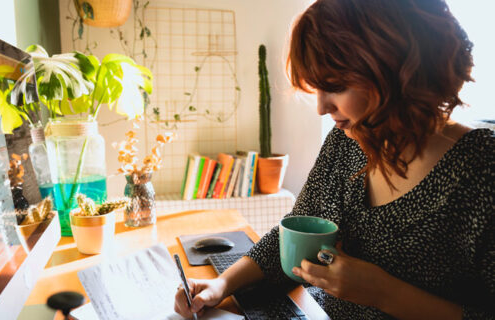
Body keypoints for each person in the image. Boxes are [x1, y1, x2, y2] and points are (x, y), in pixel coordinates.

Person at [174, 0, 494, 319]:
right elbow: (293, 237)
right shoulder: (348, 141)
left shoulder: (482, 167)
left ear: (395, 71)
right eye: (317, 88)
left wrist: (382, 292)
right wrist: (221, 285)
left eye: (335, 87)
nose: (321, 108)